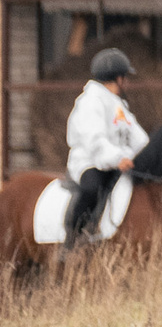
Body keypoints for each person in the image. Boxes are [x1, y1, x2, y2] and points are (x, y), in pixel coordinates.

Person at [63, 48, 149, 240]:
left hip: (118, 163)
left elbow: (138, 138)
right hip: (90, 162)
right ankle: (74, 237)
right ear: (118, 78)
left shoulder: (119, 106)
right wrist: (118, 158)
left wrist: (149, 156)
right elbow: (95, 140)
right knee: (93, 188)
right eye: (125, 77)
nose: (127, 82)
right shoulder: (90, 101)